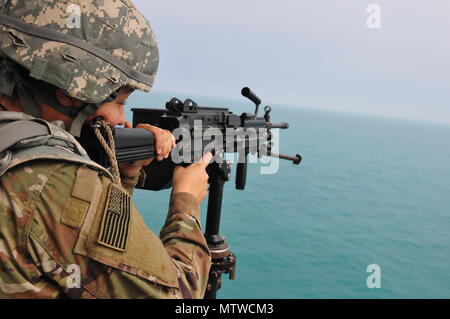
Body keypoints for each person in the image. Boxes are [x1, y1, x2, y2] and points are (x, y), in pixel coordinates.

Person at [0, 0, 211, 298]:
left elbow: (81, 256)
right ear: (74, 92)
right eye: (121, 102)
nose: (122, 120)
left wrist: (122, 177)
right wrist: (186, 203)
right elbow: (176, 294)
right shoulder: (54, 180)